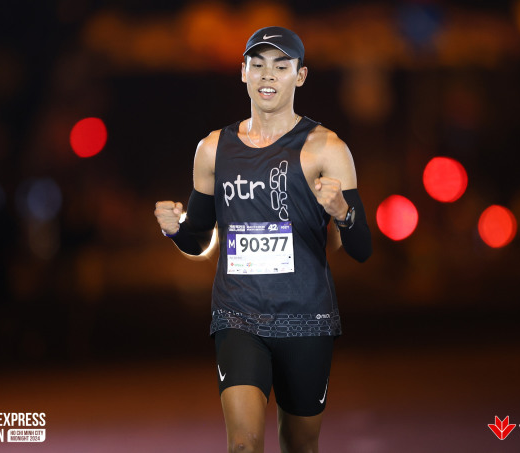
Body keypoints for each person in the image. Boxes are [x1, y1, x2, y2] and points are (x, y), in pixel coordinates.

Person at [154, 26, 372, 453]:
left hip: (307, 319)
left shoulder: (326, 149)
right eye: (257, 65)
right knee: (244, 445)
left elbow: (362, 249)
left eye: (280, 66)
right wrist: (175, 230)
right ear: (243, 73)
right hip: (239, 317)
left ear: (300, 76)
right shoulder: (213, 150)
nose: (268, 75)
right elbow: (199, 239)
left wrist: (345, 214)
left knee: (299, 445)